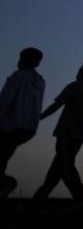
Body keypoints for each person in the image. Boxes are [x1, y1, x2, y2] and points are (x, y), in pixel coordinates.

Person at [32, 61, 83, 204]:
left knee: (65, 166)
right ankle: (39, 198)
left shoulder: (74, 86)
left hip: (66, 133)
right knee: (59, 168)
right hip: (80, 135)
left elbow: (57, 105)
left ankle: (81, 199)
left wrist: (39, 117)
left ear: (81, 71)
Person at [0, 47, 46, 199]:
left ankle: (5, 183)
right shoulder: (40, 81)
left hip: (9, 126)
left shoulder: (18, 77)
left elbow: (4, 101)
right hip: (28, 128)